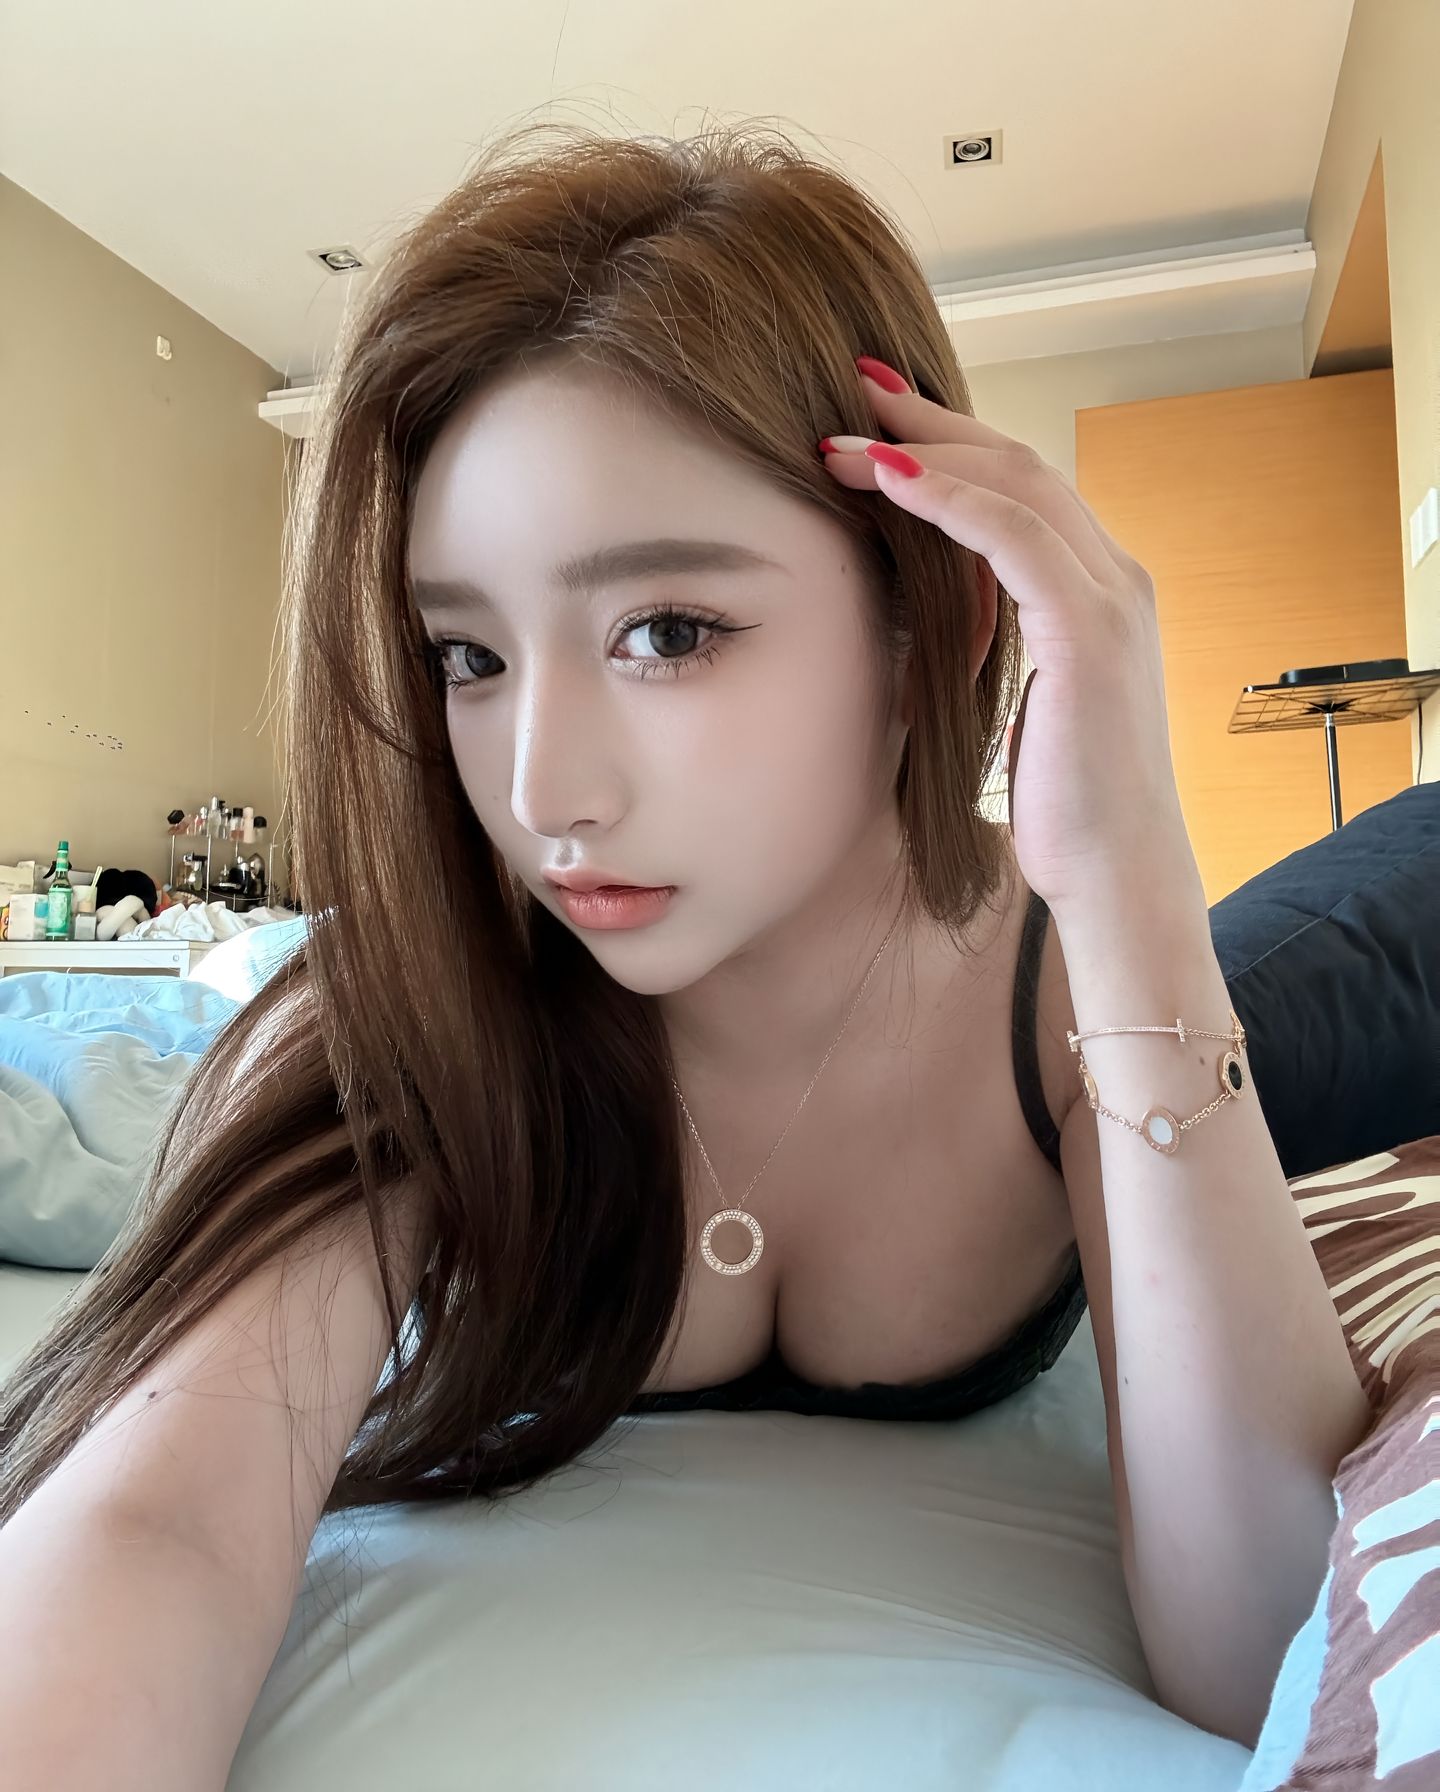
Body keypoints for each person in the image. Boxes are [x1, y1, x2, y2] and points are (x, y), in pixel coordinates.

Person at [0, 119, 1370, 1779]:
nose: (539, 792)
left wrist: (1138, 879)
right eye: (467, 654)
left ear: (927, 615)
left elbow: (1274, 1652)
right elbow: (154, 1528)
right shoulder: (408, 1018)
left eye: (665, 631)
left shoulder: (1073, 996)